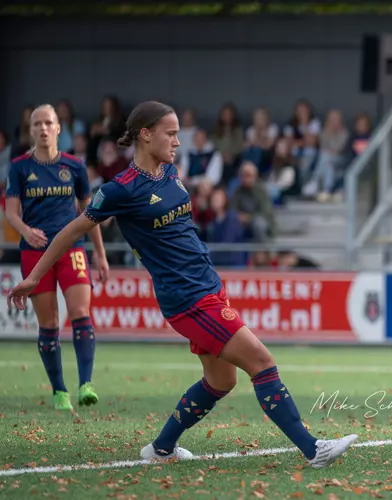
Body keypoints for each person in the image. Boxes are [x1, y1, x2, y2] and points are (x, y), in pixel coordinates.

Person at [7, 101, 357, 468]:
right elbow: (71, 230)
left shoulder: (170, 172)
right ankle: (313, 448)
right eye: (170, 133)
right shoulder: (120, 190)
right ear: (146, 134)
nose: (177, 141)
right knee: (262, 361)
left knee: (222, 381)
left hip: (207, 285)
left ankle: (161, 448)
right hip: (187, 298)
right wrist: (33, 277)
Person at [5, 104, 109, 411]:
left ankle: (86, 384)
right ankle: (59, 390)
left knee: (80, 313)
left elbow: (91, 213)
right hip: (35, 253)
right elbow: (10, 212)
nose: (42, 128)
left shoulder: (74, 166)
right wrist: (25, 231)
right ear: (31, 129)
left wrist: (101, 255)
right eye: (37, 124)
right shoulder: (19, 167)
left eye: (48, 122)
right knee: (48, 323)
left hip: (72, 250)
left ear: (58, 128)